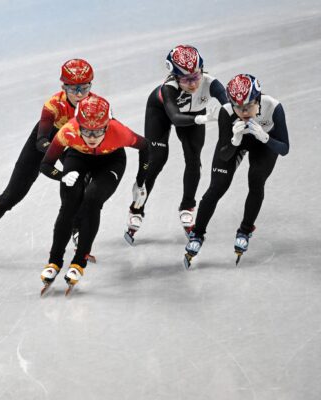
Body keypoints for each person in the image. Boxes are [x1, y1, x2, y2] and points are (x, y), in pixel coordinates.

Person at [0, 59, 95, 260]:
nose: (80, 94)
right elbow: (41, 142)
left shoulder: (95, 105)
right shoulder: (53, 106)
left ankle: (76, 229)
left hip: (72, 143)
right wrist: (59, 167)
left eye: (85, 87)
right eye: (74, 89)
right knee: (12, 195)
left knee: (83, 182)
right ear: (64, 86)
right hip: (46, 143)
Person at [39, 95, 149, 293]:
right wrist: (61, 176)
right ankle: (54, 261)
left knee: (92, 199)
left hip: (111, 161)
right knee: (69, 203)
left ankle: (79, 262)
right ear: (78, 125)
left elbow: (146, 147)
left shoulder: (119, 131)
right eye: (87, 131)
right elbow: (46, 164)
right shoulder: (68, 131)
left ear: (107, 126)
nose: (91, 138)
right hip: (78, 157)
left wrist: (141, 181)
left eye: (98, 131)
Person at [124, 45, 229, 245]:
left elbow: (229, 104)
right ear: (174, 76)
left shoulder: (211, 83)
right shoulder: (168, 88)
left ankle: (187, 206)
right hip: (161, 113)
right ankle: (137, 208)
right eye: (186, 80)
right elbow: (175, 117)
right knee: (157, 160)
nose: (193, 83)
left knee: (193, 158)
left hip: (194, 114)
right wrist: (203, 119)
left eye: (196, 76)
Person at [183, 74, 289, 268]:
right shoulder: (226, 112)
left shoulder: (273, 107)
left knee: (256, 180)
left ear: (258, 99)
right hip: (237, 142)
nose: (243, 112)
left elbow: (284, 148)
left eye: (248, 106)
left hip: (263, 143)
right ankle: (197, 234)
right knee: (216, 187)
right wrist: (235, 141)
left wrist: (264, 137)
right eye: (238, 107)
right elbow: (224, 155)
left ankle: (245, 229)